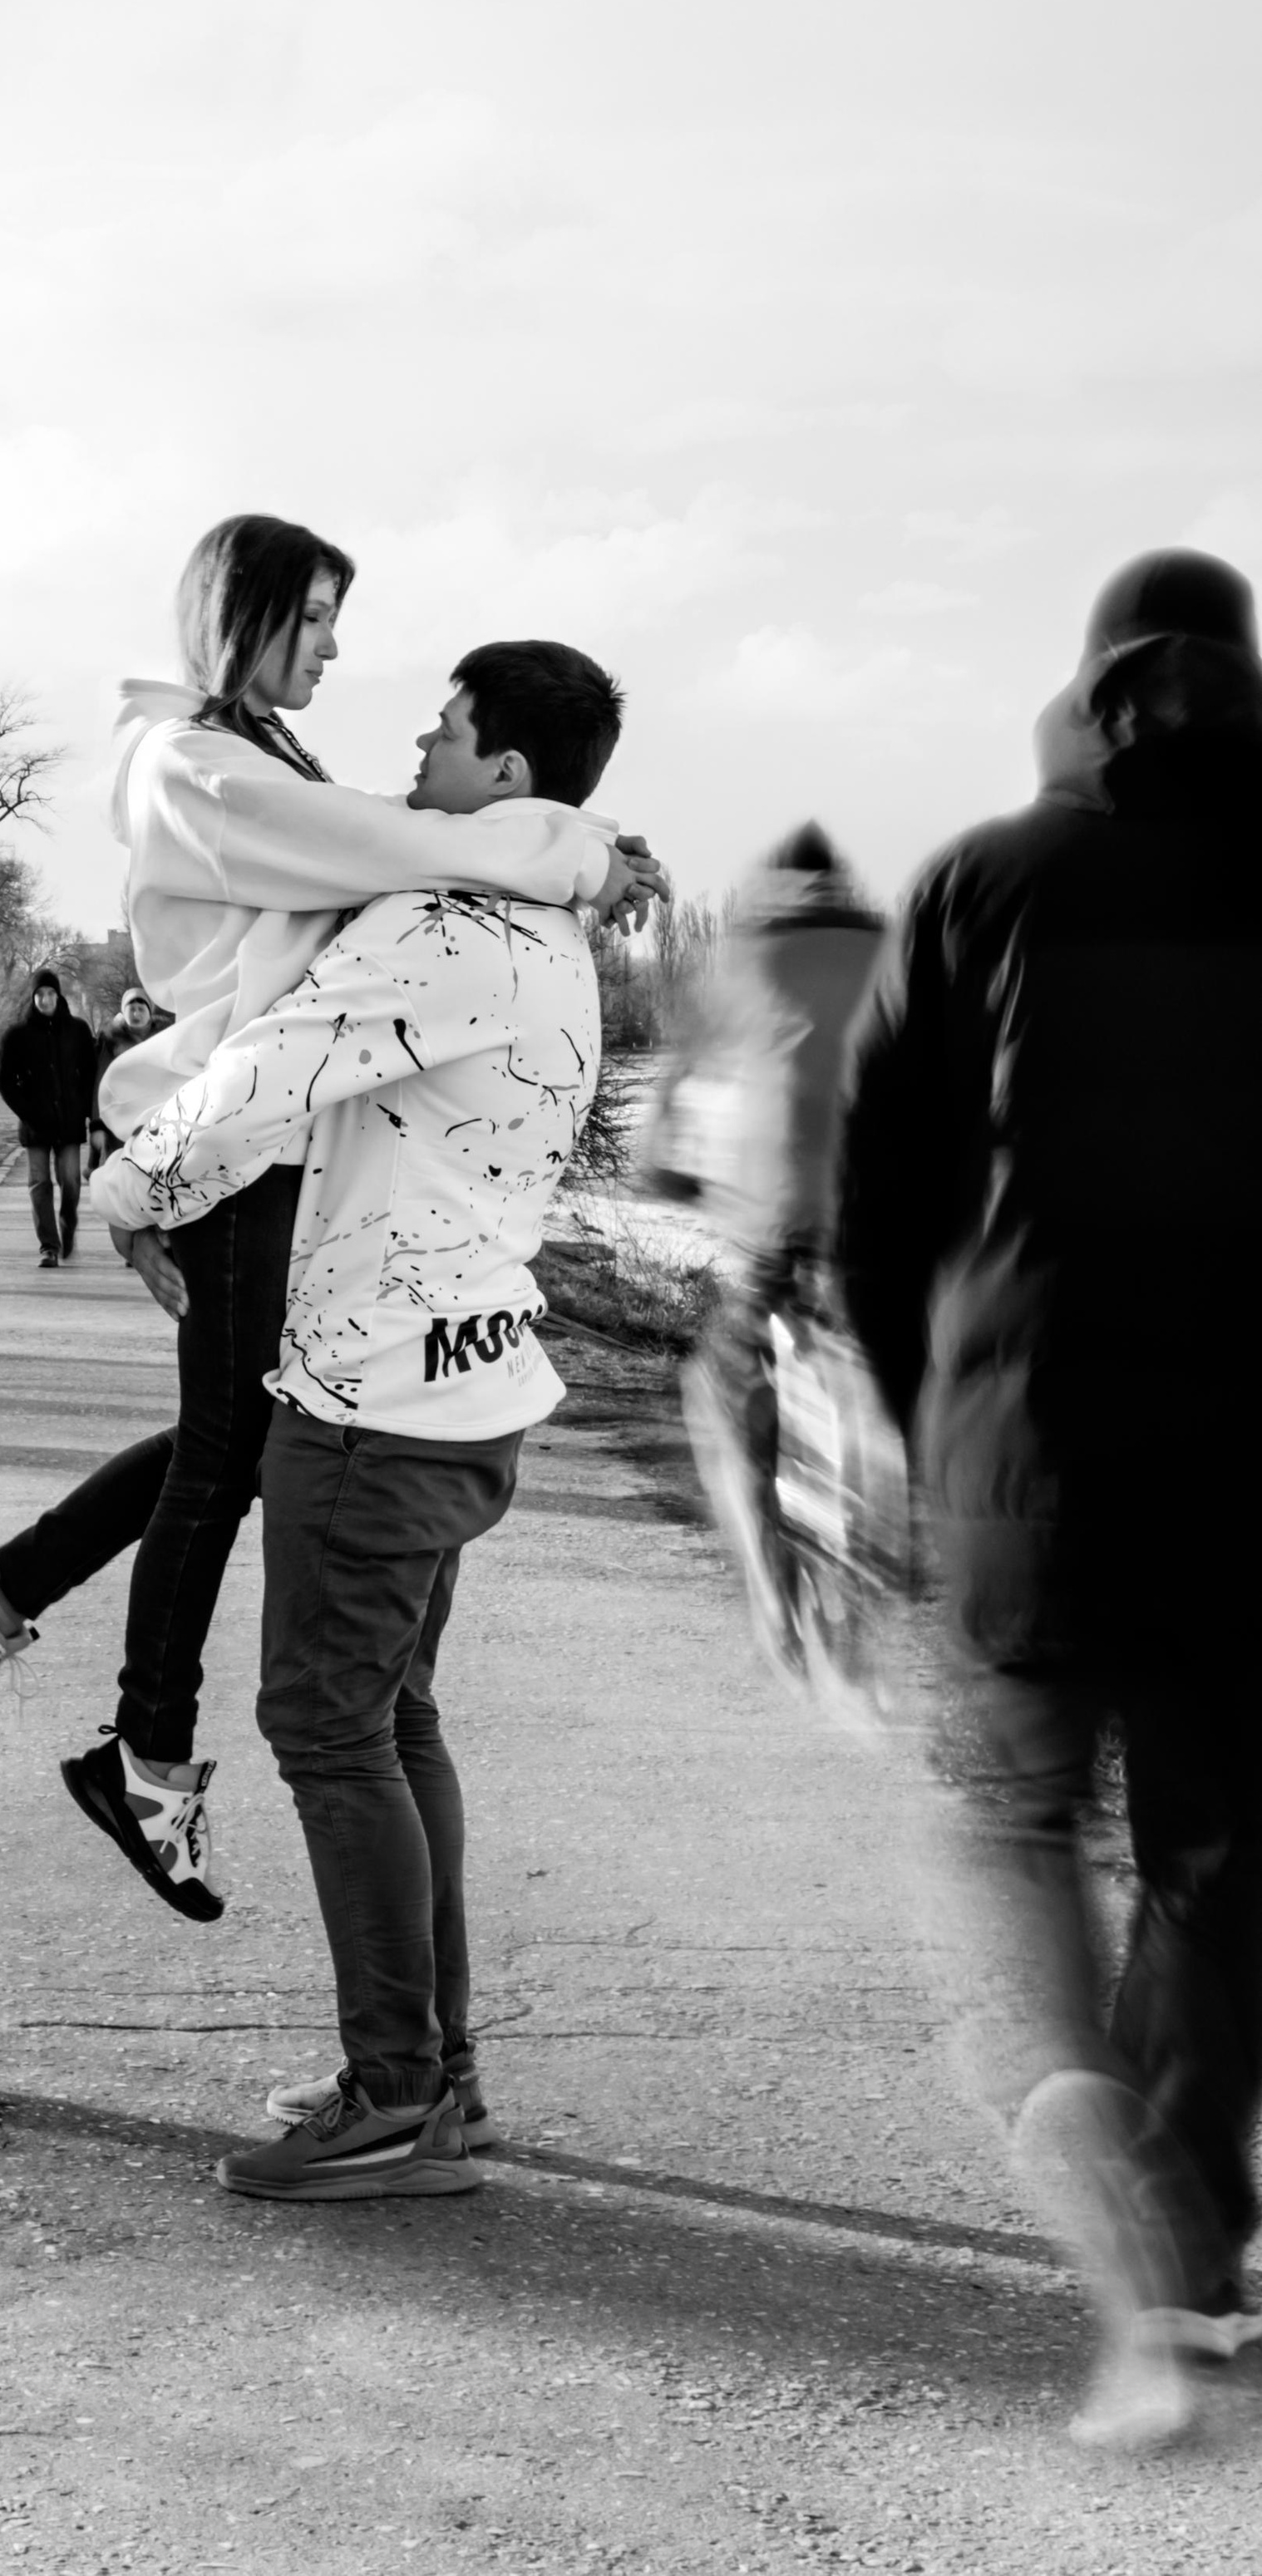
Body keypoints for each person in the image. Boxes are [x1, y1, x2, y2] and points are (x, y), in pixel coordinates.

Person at [0, 514, 664, 1924]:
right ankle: (138, 1752)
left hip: (253, 1147)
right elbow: (396, 848)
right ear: (242, 614)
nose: (333, 646)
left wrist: (569, 844)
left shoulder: (263, 755)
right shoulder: (196, 766)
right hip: (218, 1138)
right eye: (314, 616)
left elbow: (402, 851)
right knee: (228, 1456)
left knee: (239, 1440)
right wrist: (576, 847)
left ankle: (0, 1607)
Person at [92, 641, 618, 2199]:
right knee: (394, 1722)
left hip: (373, 1402)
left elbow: (268, 1072)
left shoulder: (443, 930)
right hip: (464, 1388)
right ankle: (436, 2075)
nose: (417, 751)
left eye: (446, 732)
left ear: (507, 771)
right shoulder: (551, 936)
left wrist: (131, 1190)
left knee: (330, 1730)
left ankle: (393, 2095)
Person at [836, 549, 1262, 2450]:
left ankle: (1112, 2201)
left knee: (1011, 1827)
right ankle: (1190, 2249)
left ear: (1086, 687)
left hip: (1028, 1458)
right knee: (1215, 1859)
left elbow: (876, 1203)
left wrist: (919, 1422)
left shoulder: (977, 880)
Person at [651, 825, 898, 1707]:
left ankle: (770, 1592)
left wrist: (676, 1176)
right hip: (882, 1227)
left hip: (776, 1225)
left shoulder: (739, 960)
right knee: (872, 1383)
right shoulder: (899, 956)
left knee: (723, 1400)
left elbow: (678, 1108)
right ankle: (864, 1564)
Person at [0, 970, 98, 1268]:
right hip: (36, 1125)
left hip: (69, 1123)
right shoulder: (18, 1035)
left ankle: (68, 1221)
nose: (45, 999)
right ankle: (49, 1246)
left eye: (50, 993)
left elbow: (91, 1075)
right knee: (39, 1184)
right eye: (39, 994)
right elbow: (5, 1081)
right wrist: (27, 1112)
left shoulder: (77, 1030)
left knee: (71, 1182)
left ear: (58, 995)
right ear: (33, 998)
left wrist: (87, 1112)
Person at [88, 984, 156, 1166]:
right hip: (121, 1121)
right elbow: (102, 1083)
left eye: (141, 1009)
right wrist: (98, 1125)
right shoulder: (112, 1041)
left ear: (150, 1012)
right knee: (123, 1169)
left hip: (156, 1119)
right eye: (131, 1009)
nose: (136, 1014)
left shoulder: (164, 1037)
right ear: (123, 1012)